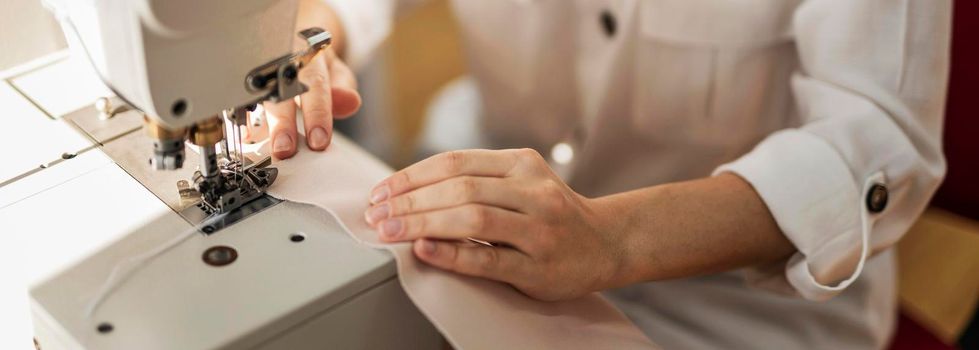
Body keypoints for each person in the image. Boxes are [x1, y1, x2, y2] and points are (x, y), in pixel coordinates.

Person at [253, 1, 952, 348]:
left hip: (732, 306)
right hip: (485, 245)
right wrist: (304, 37)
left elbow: (877, 141)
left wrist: (612, 239)